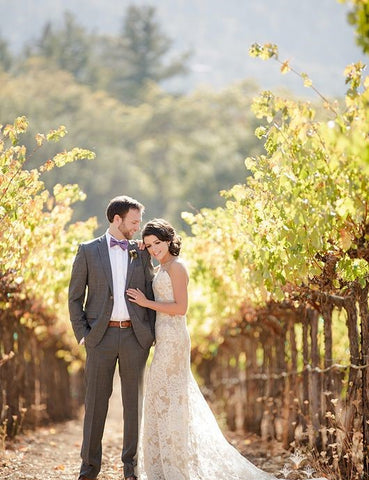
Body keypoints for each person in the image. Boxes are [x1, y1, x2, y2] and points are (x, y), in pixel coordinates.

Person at [127, 219, 327, 480]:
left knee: (171, 395)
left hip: (175, 338)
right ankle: (164, 463)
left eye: (158, 243)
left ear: (169, 241)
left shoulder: (177, 267)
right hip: (164, 336)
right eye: (150, 245)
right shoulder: (162, 266)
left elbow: (180, 308)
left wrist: (146, 303)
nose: (154, 249)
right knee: (160, 393)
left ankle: (176, 466)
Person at [68, 195, 156, 480]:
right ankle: (89, 468)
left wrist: (150, 333)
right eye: (133, 222)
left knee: (133, 404)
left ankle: (130, 468)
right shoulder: (87, 250)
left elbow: (153, 293)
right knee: (95, 404)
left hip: (134, 336)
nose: (137, 228)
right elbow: (74, 298)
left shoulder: (141, 251)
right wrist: (84, 335)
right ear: (116, 220)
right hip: (100, 338)